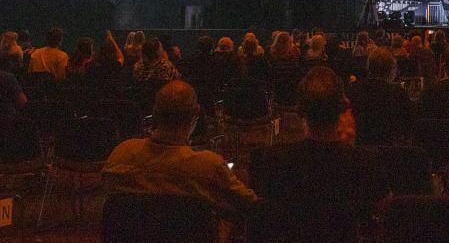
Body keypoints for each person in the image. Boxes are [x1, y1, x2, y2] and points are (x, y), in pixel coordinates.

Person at [247, 67, 387, 241]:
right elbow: (385, 210)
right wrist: (349, 148)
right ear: (344, 106)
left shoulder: (273, 160)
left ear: (300, 109)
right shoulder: (364, 161)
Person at [103, 80, 256, 217]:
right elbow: (251, 206)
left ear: (154, 113)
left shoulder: (120, 155)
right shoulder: (208, 167)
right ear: (196, 114)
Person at [346, 48, 414, 145]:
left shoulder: (353, 89)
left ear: (369, 67)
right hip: (390, 151)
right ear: (392, 69)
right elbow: (408, 127)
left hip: (358, 149)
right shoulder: (399, 94)